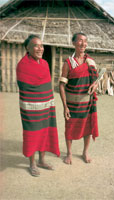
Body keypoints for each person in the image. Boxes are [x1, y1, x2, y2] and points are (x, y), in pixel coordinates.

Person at [16, 35, 60, 176]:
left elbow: (46, 85)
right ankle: (32, 163)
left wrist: (49, 101)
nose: (40, 48)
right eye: (36, 45)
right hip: (30, 107)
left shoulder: (45, 64)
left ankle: (42, 160)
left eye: (41, 45)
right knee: (32, 134)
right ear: (27, 48)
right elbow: (24, 86)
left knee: (45, 132)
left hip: (46, 105)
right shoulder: (23, 65)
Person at [59, 32, 99, 164]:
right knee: (69, 128)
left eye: (85, 41)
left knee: (87, 128)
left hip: (87, 103)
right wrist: (65, 106)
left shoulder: (90, 62)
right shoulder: (68, 63)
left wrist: (95, 83)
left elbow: (96, 79)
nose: (83, 43)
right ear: (74, 43)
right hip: (71, 104)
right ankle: (69, 153)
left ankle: (85, 152)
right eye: (80, 40)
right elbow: (61, 85)